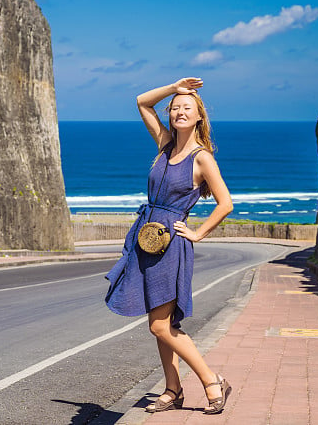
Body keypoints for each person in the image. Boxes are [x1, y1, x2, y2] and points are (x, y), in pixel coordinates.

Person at [104, 77, 234, 414]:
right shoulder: (164, 144)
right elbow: (142, 101)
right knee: (162, 324)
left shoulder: (201, 158)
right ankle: (172, 389)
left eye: (186, 108)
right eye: (175, 107)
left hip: (171, 246)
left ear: (198, 117)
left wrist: (198, 233)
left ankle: (211, 381)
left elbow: (225, 204)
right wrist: (175, 86)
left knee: (159, 325)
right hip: (145, 241)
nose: (179, 111)